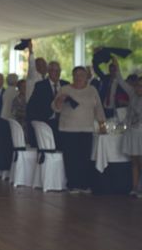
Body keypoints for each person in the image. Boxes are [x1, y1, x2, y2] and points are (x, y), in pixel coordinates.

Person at [52, 66, 106, 194]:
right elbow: (55, 107)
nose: (79, 77)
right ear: (73, 76)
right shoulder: (65, 89)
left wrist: (102, 125)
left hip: (87, 128)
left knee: (85, 158)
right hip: (68, 129)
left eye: (82, 74)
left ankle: (84, 184)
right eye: (76, 74)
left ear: (87, 76)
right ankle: (72, 184)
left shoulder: (92, 90)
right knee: (71, 158)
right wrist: (60, 100)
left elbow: (98, 108)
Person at [112, 58, 142, 196]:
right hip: (131, 132)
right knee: (134, 162)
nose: (138, 88)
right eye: (137, 85)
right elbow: (121, 80)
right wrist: (117, 66)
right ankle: (135, 188)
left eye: (141, 86)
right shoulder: (132, 93)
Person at [26, 61, 68, 146]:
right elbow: (32, 106)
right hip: (47, 121)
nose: (56, 73)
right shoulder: (41, 86)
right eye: (53, 70)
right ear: (48, 71)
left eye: (58, 71)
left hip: (65, 122)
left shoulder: (66, 85)